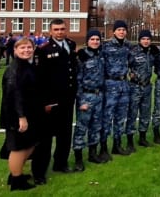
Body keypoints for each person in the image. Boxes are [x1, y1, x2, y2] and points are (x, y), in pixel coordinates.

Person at [31, 18, 77, 184]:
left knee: (65, 134)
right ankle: (39, 172)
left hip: (67, 98)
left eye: (62, 29)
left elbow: (72, 69)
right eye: (56, 29)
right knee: (45, 138)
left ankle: (60, 163)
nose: (59, 32)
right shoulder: (43, 50)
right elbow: (39, 78)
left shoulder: (70, 45)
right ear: (50, 31)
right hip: (51, 101)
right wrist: (45, 102)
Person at [0, 37, 41, 191]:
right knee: (18, 148)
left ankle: (16, 173)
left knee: (29, 145)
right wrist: (21, 117)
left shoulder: (26, 66)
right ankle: (16, 180)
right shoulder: (14, 69)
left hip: (29, 112)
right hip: (17, 115)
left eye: (29, 47)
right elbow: (14, 95)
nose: (26, 50)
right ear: (15, 50)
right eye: (22, 48)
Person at [72, 30, 105, 171]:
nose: (95, 41)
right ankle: (78, 159)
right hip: (86, 97)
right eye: (92, 39)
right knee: (81, 128)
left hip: (99, 96)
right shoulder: (82, 57)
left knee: (96, 127)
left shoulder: (101, 55)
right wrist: (81, 101)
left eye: (97, 39)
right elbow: (77, 81)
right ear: (87, 41)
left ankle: (93, 153)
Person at [100, 20, 131, 160]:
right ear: (113, 32)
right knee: (107, 118)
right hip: (110, 84)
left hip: (124, 84)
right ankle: (103, 148)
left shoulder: (128, 46)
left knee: (120, 118)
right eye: (119, 29)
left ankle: (117, 145)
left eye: (124, 30)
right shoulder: (105, 47)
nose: (122, 32)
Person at [126, 29, 158, 152]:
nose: (146, 41)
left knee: (145, 114)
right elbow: (125, 65)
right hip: (135, 87)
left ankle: (143, 138)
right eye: (143, 39)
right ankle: (130, 141)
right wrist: (131, 74)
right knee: (132, 114)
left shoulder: (151, 53)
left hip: (147, 87)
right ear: (139, 40)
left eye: (148, 39)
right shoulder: (133, 52)